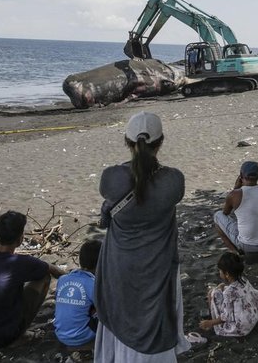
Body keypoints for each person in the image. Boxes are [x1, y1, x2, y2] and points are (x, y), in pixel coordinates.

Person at [95, 111, 192, 361]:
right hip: (158, 267)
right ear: (160, 142)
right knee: (156, 323)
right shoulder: (173, 181)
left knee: (120, 319)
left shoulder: (111, 178)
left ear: (128, 142)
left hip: (119, 264)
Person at [0, 210, 66, 349]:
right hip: (1, 338)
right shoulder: (19, 263)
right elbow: (53, 270)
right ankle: (19, 336)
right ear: (20, 239)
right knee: (44, 277)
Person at [213, 161, 258, 255]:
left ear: (241, 176)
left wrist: (235, 188)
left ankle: (235, 252)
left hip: (248, 245)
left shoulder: (234, 195)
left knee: (217, 216)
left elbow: (225, 212)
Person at [199, 253, 258, 337]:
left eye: (220, 271)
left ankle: (212, 316)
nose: (219, 273)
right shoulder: (244, 280)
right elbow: (255, 296)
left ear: (227, 274)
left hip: (241, 329)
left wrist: (209, 323)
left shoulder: (228, 293)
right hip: (253, 318)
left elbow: (225, 317)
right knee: (221, 287)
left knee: (212, 293)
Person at [54, 239, 102, 349]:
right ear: (101, 264)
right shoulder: (94, 284)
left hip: (60, 334)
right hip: (81, 337)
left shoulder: (62, 279)